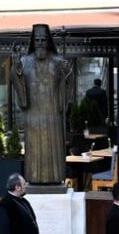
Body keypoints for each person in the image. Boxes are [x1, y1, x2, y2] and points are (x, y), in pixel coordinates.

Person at [12, 24, 73, 185]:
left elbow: (66, 87)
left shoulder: (58, 62)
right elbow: (18, 85)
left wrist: (67, 75)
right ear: (33, 41)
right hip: (33, 115)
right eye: (37, 39)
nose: (40, 43)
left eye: (43, 40)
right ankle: (34, 179)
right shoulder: (24, 62)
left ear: (48, 41)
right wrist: (16, 68)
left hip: (52, 116)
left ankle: (55, 179)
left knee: (53, 149)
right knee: (34, 151)